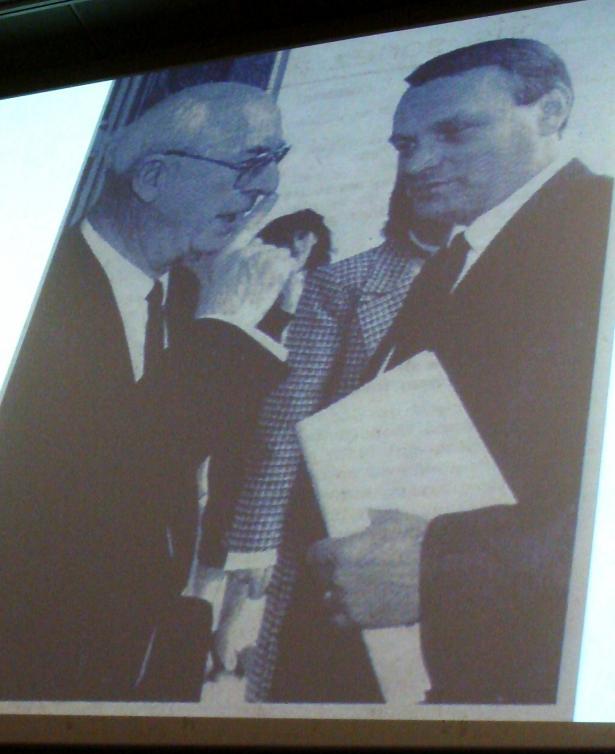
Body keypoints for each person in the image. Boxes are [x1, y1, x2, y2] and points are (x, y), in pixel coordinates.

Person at [219, 39, 613, 704]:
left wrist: (439, 568)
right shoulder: (454, 258)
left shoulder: (597, 226)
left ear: (550, 112)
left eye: (456, 131)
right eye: (404, 145)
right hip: (396, 667)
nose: (419, 163)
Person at [0, 82, 296, 701]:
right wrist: (224, 332)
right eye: (248, 165)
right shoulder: (31, 289)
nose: (266, 193)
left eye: (276, 165)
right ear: (152, 177)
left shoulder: (187, 302)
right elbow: (98, 492)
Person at [257, 209, 333, 341]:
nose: (298, 246)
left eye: (303, 237)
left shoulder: (314, 289)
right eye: (299, 236)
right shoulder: (265, 270)